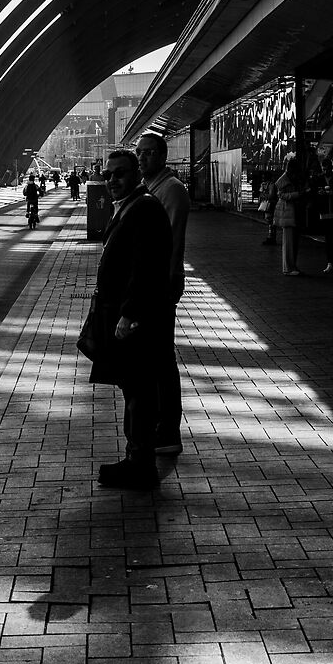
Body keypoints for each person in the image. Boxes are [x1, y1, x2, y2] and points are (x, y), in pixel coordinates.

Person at [89, 148, 172, 490]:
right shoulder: (132, 207)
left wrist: (129, 314)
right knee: (133, 388)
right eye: (108, 175)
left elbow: (147, 268)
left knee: (139, 391)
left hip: (137, 321)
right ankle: (137, 459)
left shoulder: (145, 209)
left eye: (119, 173)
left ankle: (141, 464)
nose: (112, 181)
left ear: (137, 173)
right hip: (126, 317)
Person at [136, 129, 190, 462]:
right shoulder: (152, 189)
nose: (142, 158)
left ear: (162, 155)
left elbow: (168, 242)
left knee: (161, 359)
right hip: (153, 281)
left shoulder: (170, 191)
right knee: (155, 357)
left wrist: (166, 282)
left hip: (160, 282)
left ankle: (168, 429)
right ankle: (161, 425)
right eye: (139, 153)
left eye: (148, 153)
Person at [274, 159, 303, 275]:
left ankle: (292, 266)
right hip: (288, 212)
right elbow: (281, 195)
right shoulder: (284, 180)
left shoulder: (288, 178)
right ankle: (288, 268)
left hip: (289, 213)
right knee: (289, 242)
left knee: (292, 242)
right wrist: (296, 194)